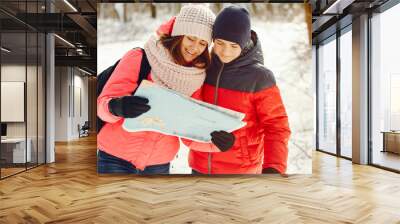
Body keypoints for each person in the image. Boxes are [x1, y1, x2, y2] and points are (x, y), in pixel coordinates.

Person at [97, 5, 233, 174]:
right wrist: (116, 107)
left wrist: (215, 142)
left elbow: (189, 130)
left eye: (203, 43)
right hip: (115, 158)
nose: (195, 48)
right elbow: (102, 105)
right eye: (191, 38)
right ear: (179, 34)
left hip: (159, 164)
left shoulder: (197, 77)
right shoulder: (140, 58)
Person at [185, 6, 291, 175]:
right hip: (199, 166)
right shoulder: (203, 66)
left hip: (241, 170)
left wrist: (274, 168)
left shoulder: (260, 77)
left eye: (234, 45)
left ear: (244, 42)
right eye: (219, 43)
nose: (225, 52)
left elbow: (277, 126)